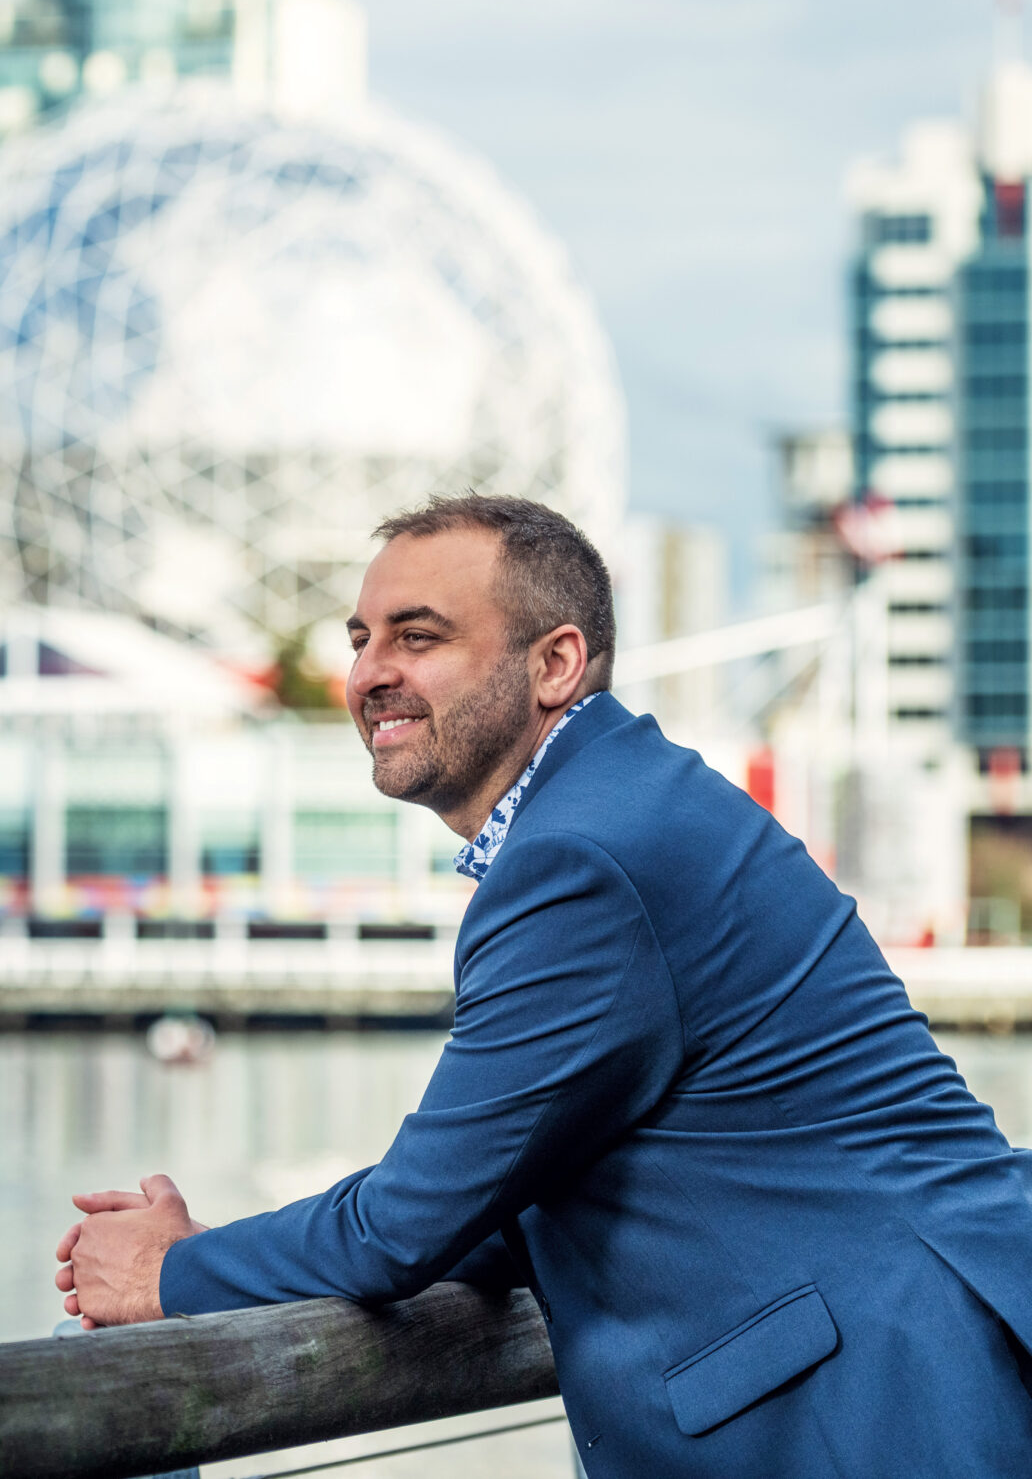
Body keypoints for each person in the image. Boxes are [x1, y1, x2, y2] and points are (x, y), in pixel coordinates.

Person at [53, 495, 1032, 1475]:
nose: (368, 674)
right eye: (360, 639)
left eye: (418, 636)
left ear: (554, 664)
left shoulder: (579, 856)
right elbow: (511, 1196)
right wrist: (236, 1257)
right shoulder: (623, 801)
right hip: (908, 1358)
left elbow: (405, 1224)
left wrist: (169, 1269)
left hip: (881, 1400)